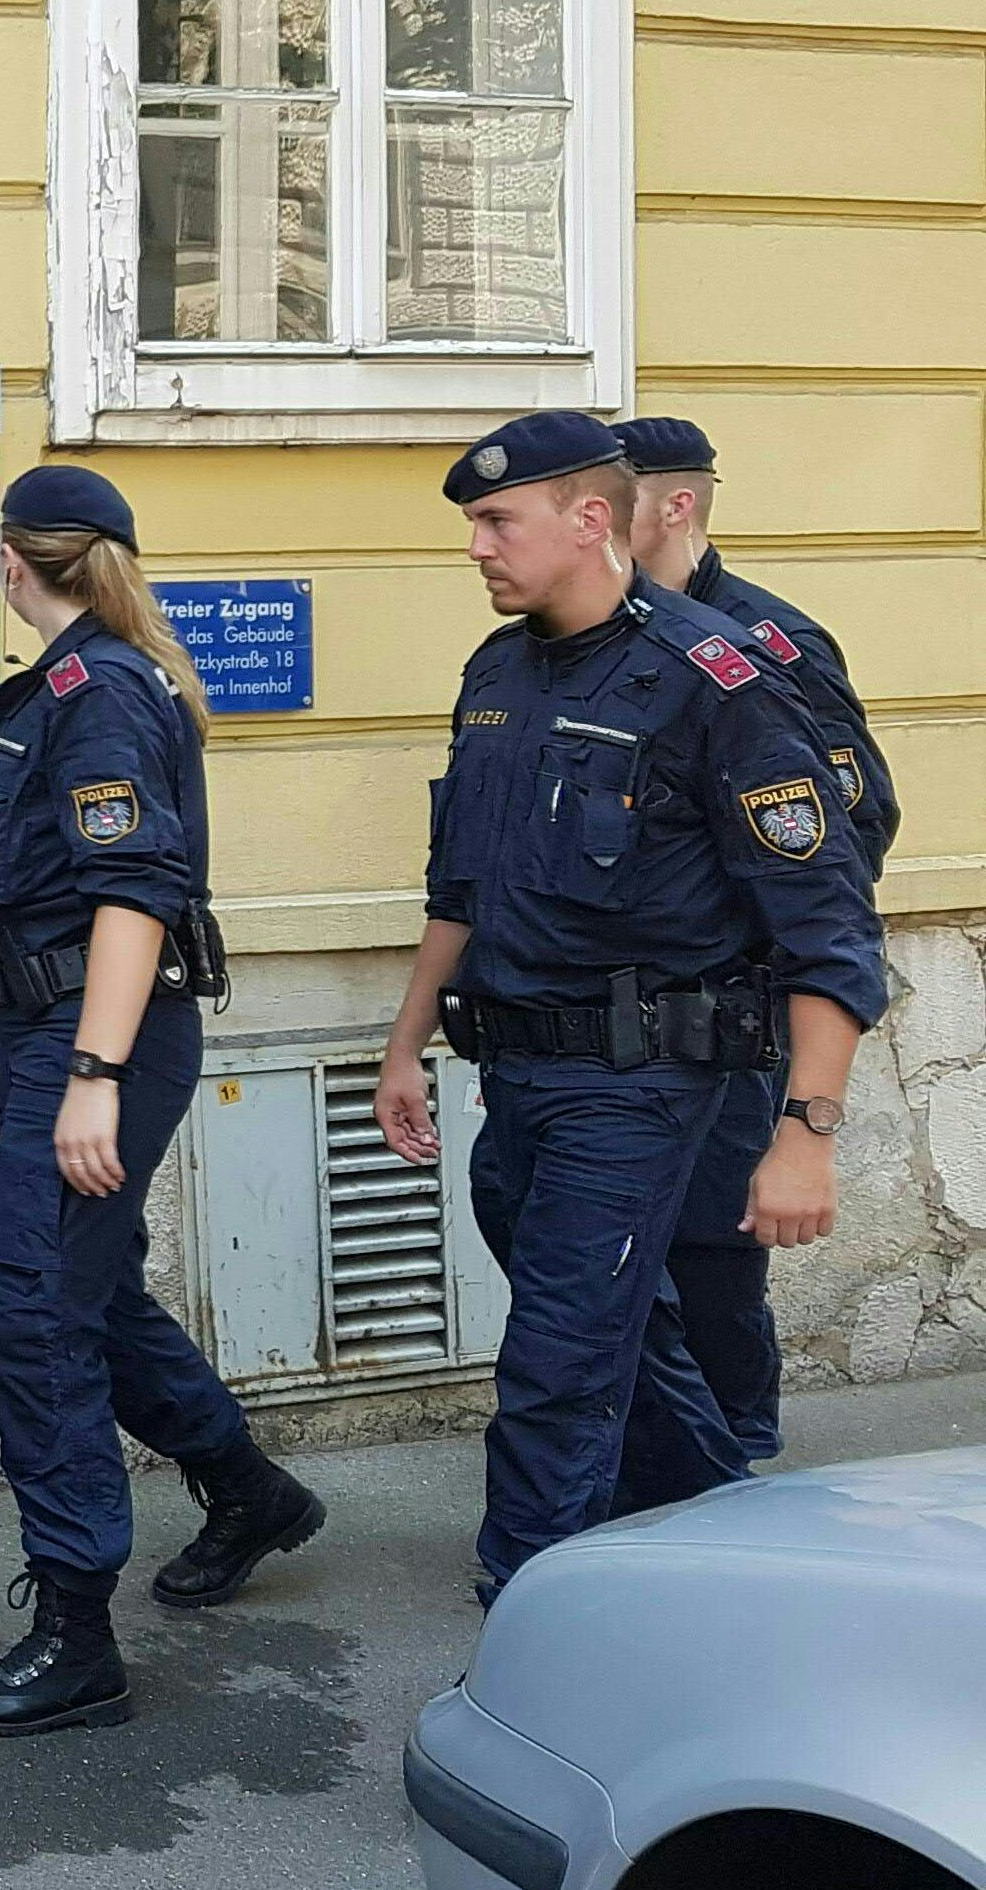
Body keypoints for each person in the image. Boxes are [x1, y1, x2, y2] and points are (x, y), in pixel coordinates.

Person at [372, 412, 885, 1605]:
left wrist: (806, 1134)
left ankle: (531, 1622)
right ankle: (733, 1527)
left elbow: (828, 922)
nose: (477, 548)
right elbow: (464, 882)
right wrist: (405, 1042)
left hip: (645, 1075)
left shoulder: (718, 679)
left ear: (589, 518)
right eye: (473, 526)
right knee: (611, 1325)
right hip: (521, 1070)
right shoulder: (496, 673)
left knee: (556, 1359)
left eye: (498, 521)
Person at [0, 467, 325, 1738]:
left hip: (101, 1039)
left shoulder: (96, 692)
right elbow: (44, 895)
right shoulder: (74, 684)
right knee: (85, 1289)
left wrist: (88, 1072)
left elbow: (132, 894)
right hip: (52, 1026)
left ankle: (76, 1633)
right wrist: (14, 1040)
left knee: (36, 1315)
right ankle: (245, 1487)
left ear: (12, 561)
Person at [610, 416, 898, 1484]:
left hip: (736, 1003)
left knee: (714, 1252)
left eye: (613, 496)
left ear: (673, 505)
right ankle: (662, 1471)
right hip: (627, 1009)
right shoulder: (607, 644)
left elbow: (850, 823)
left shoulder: (765, 645)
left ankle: (739, 1467)